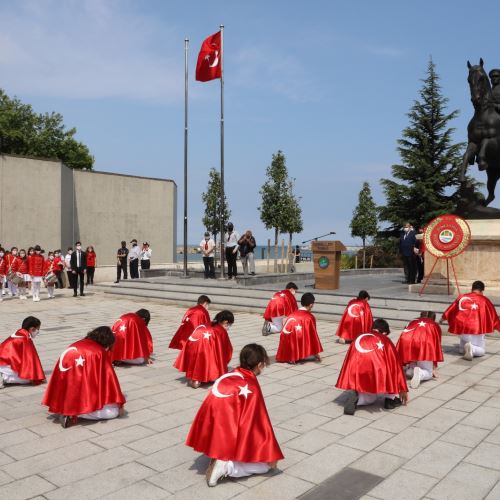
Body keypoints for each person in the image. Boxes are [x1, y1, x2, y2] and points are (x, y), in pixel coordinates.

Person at [186, 344, 283, 487]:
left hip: (213, 428)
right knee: (267, 467)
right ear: (260, 365)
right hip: (230, 433)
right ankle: (227, 467)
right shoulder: (251, 386)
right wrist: (270, 453)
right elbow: (257, 423)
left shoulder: (229, 375)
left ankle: (219, 456)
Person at [42, 326, 126, 428]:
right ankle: (75, 412)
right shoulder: (99, 352)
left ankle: (65, 408)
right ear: (107, 343)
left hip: (63, 395)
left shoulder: (75, 344)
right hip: (80, 396)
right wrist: (120, 404)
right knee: (113, 412)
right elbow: (110, 380)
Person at [336, 318, 408, 415]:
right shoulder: (385, 340)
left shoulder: (359, 337)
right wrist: (402, 387)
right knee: (389, 369)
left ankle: (357, 397)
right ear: (385, 333)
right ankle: (390, 399)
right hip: (374, 371)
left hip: (356, 370)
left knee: (368, 393)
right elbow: (396, 366)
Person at [441, 280, 500, 360]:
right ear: (482, 290)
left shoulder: (462, 297)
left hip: (461, 330)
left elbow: (450, 310)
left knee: (464, 338)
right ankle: (472, 349)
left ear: (472, 288)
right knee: (481, 350)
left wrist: (442, 319)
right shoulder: (484, 300)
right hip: (475, 330)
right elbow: (494, 318)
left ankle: (462, 348)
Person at [174, 310, 233, 388]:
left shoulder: (206, 324)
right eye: (229, 325)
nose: (228, 328)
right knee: (212, 355)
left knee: (199, 357)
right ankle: (205, 377)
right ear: (225, 322)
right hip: (205, 349)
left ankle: (195, 378)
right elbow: (226, 349)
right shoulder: (220, 331)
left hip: (192, 345)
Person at [396, 311, 443, 389]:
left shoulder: (413, 321)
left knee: (411, 366)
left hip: (408, 342)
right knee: (429, 372)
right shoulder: (434, 324)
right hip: (424, 345)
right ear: (433, 318)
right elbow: (436, 345)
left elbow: (405, 331)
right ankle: (421, 373)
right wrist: (434, 365)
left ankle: (410, 370)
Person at [276, 292, 323, 364]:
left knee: (297, 333)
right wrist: (315, 353)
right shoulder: (310, 317)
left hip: (285, 340)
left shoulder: (292, 314)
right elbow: (312, 336)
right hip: (295, 341)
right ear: (311, 305)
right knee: (305, 335)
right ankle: (294, 356)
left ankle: (290, 355)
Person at [0, 316, 45, 387]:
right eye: (37, 329)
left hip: (3, 361)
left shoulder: (20, 332)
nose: (38, 332)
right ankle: (4, 377)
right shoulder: (26, 339)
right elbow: (30, 359)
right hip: (5, 364)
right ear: (32, 329)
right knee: (27, 379)